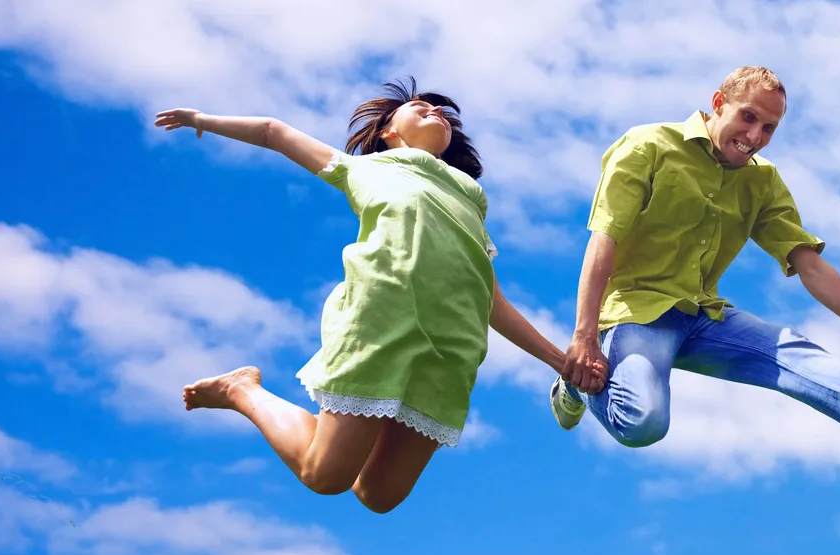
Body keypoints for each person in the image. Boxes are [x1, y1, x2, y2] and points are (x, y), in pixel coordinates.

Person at [156, 78, 594, 512]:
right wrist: (201, 119)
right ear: (388, 132)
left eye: (442, 113)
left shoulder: (472, 197)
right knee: (325, 476)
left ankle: (340, 435)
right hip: (381, 325)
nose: (435, 112)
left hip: (451, 349)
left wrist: (561, 362)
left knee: (378, 495)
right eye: (420, 107)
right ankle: (241, 391)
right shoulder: (363, 169)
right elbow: (274, 131)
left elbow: (491, 300)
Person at [549, 66, 840, 471]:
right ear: (718, 102)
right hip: (635, 314)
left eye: (769, 128)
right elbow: (604, 240)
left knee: (791, 349)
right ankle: (575, 386)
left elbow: (810, 265)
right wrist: (584, 339)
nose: (755, 136)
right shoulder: (648, 146)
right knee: (643, 421)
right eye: (748, 117)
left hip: (703, 318)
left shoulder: (762, 180)